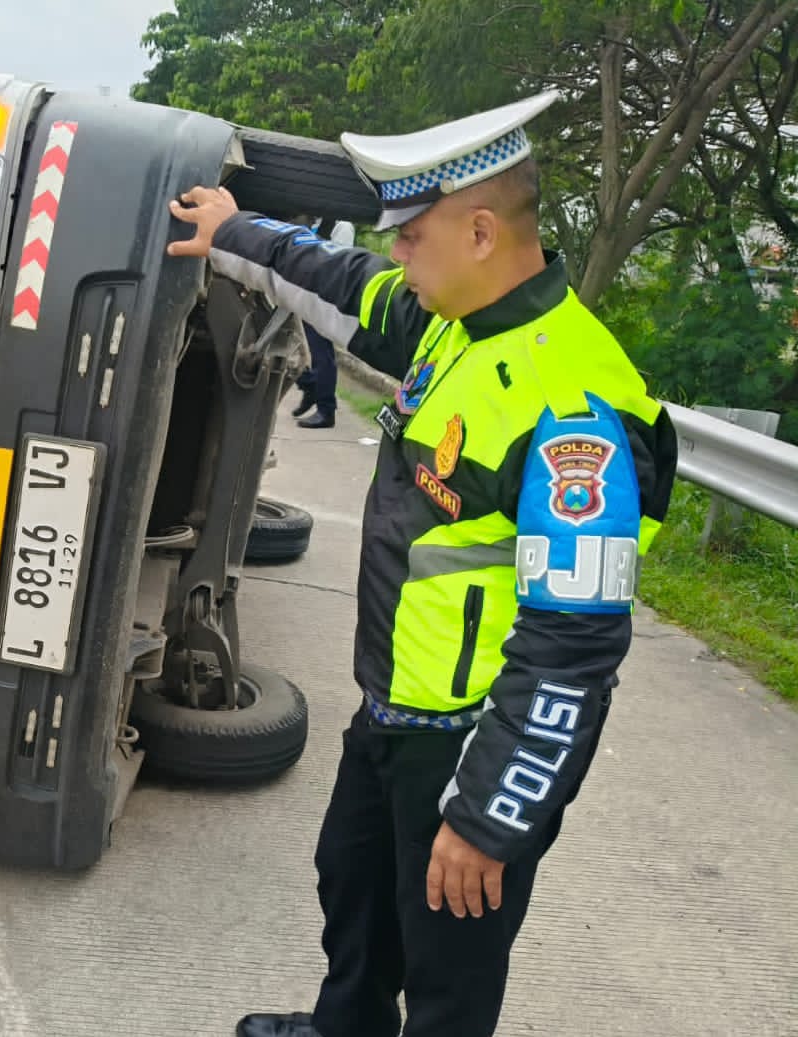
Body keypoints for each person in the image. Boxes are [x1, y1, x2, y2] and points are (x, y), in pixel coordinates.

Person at [166, 92, 679, 1037]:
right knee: (352, 886)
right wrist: (235, 230)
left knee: (448, 970)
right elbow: (342, 280)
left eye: (413, 235)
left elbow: (573, 651)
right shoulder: (454, 322)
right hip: (393, 706)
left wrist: (489, 814)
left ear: (480, 232)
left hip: (472, 740)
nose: (398, 255)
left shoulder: (576, 415)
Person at [290, 220, 356, 429]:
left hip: (323, 300)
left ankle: (326, 410)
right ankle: (309, 385)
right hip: (302, 295)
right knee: (290, 351)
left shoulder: (341, 225)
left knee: (321, 355)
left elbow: (339, 264)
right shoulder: (310, 220)